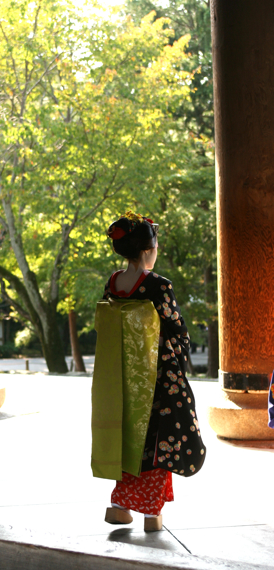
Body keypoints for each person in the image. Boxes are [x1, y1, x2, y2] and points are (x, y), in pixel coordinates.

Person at [91, 212, 206, 532]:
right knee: (158, 440)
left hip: (121, 377)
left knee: (127, 436)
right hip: (155, 376)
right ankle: (151, 514)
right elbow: (176, 329)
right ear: (147, 250)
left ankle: (118, 504)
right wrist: (179, 365)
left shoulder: (114, 282)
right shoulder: (157, 284)